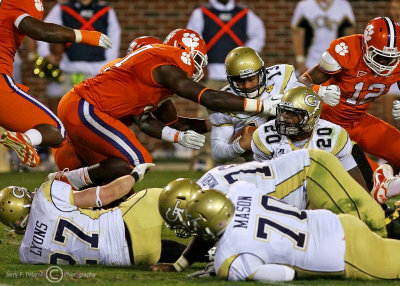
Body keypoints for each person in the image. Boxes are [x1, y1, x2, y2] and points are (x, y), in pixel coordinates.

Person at [53, 28, 279, 185]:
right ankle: (64, 179)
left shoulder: (151, 80)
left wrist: (204, 127)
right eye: (197, 59)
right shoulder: (167, 63)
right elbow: (205, 96)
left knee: (122, 185)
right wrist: (260, 105)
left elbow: (155, 120)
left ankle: (69, 189)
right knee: (135, 162)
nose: (199, 67)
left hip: (88, 116)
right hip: (85, 110)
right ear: (183, 51)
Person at [184, 185, 400, 281]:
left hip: (346, 255)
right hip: (338, 222)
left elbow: (286, 275)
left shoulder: (228, 258)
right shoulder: (240, 190)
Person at [0, 162, 186, 265]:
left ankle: (205, 253)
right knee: (175, 194)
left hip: (135, 257)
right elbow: (108, 194)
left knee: (151, 245)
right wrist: (135, 175)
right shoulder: (44, 195)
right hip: (125, 225)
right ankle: (211, 217)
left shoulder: (27, 255)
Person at [0, 0, 112, 168]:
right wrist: (86, 35)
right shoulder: (15, 7)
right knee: (57, 130)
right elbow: (41, 31)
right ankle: (26, 139)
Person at [297, 17, 400, 171]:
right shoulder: (347, 51)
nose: (385, 63)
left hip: (359, 121)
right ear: (366, 46)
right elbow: (301, 82)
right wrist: (320, 91)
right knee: (367, 177)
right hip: (328, 124)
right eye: (380, 57)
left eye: (391, 59)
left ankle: (385, 177)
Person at [250, 86, 368, 190]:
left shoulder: (333, 136)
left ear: (311, 117)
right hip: (283, 191)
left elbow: (356, 183)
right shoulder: (264, 135)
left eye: (291, 114)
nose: (283, 119)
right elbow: (263, 182)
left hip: (323, 192)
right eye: (283, 112)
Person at [209, 46, 297, 164]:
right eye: (240, 81)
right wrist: (239, 146)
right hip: (256, 161)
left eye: (251, 79)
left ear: (261, 73)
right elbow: (217, 153)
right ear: (231, 81)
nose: (247, 86)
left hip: (294, 149)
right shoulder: (224, 100)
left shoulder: (281, 77)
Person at [36, 0, 121, 113]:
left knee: (95, 112)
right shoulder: (62, 8)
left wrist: (108, 65)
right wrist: (46, 53)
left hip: (96, 71)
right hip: (68, 69)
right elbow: (46, 29)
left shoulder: (105, 10)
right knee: (64, 111)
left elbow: (114, 37)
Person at [187, 0, 265, 89]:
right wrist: (200, 64)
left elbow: (258, 36)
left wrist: (244, 57)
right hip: (209, 76)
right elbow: (192, 40)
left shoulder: (244, 13)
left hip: (237, 75)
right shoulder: (200, 13)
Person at [291, 0, 355, 75]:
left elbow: (349, 36)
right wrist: (300, 62)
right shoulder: (304, 6)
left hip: (336, 65)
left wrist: (347, 64)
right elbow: (297, 35)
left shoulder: (343, 5)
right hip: (310, 64)